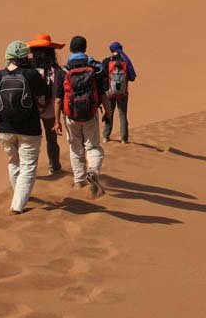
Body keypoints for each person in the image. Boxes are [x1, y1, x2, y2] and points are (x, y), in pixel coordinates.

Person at [0, 40, 48, 215]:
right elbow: (43, 92)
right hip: (29, 129)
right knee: (28, 166)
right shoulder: (32, 75)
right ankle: (17, 206)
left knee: (14, 162)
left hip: (5, 129)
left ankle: (18, 197)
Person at [54, 35, 110, 198]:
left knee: (75, 148)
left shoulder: (63, 71)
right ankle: (93, 170)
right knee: (92, 147)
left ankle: (79, 181)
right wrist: (107, 113)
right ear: (85, 49)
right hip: (90, 114)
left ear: (71, 49)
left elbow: (58, 100)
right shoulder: (95, 69)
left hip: (70, 117)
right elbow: (102, 94)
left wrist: (57, 122)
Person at [27, 33, 66, 175]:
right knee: (51, 140)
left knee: (31, 142)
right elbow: (59, 95)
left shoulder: (29, 71)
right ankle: (54, 166)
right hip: (51, 111)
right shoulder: (57, 71)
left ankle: (29, 171)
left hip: (32, 111)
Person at [101, 41, 137, 144]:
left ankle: (106, 137)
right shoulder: (125, 61)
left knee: (109, 112)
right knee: (123, 114)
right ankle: (124, 138)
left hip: (109, 92)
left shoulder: (107, 61)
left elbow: (102, 74)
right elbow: (132, 77)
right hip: (123, 93)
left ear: (112, 51)